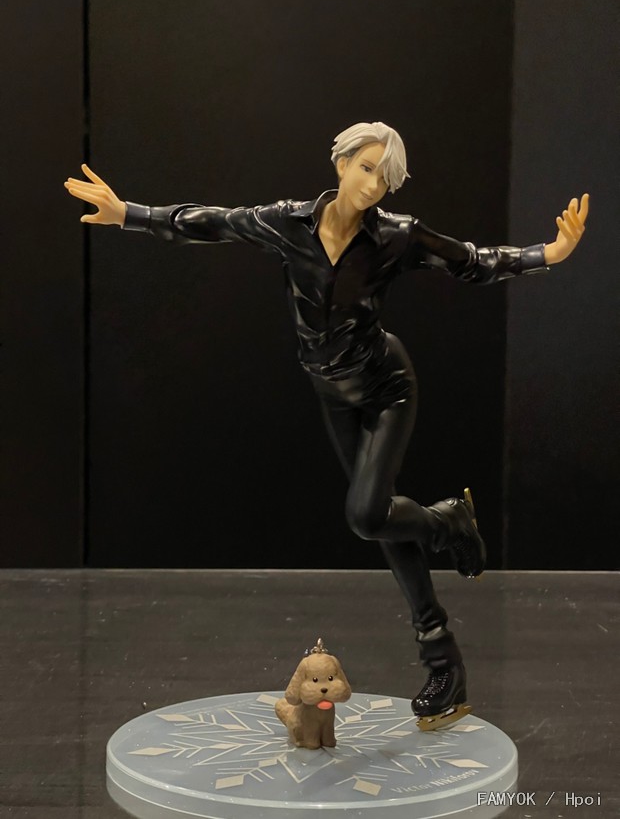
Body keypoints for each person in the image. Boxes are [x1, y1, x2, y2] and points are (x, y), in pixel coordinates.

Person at [64, 121, 588, 729]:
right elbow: (213, 222)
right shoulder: (288, 224)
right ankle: (444, 659)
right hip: (333, 395)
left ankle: (448, 524)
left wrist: (548, 254)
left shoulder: (397, 237)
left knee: (367, 516)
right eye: (365, 168)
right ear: (340, 164)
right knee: (383, 525)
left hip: (387, 388)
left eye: (384, 178)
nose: (372, 185)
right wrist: (129, 213)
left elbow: (470, 261)